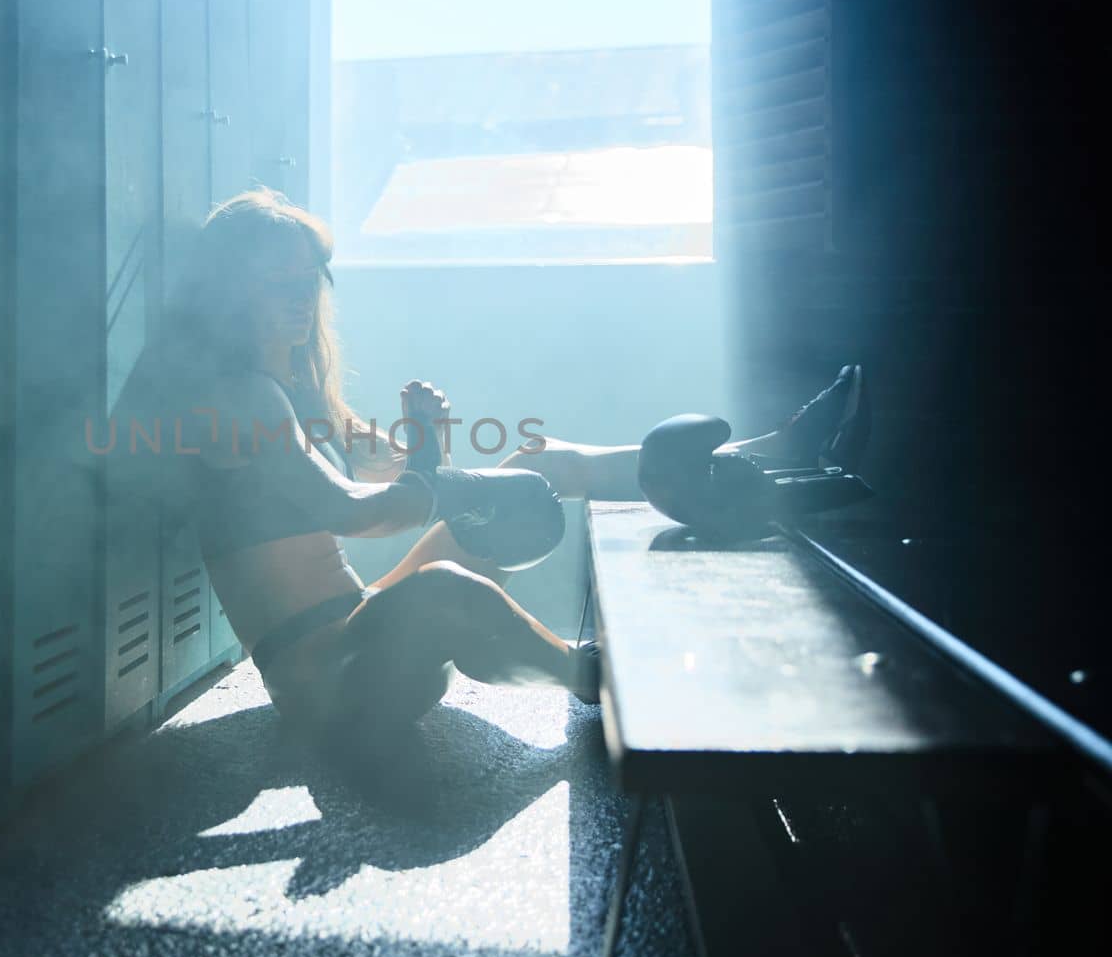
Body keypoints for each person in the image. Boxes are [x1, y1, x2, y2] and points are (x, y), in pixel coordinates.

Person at [144, 188, 868, 748]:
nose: (301, 299)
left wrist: (437, 457)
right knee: (443, 585)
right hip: (326, 680)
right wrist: (431, 462)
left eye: (310, 280)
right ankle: (594, 673)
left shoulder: (302, 391)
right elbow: (354, 513)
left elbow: (413, 483)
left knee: (537, 465)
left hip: (365, 624)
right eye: (278, 284)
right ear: (232, 294)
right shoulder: (238, 399)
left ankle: (747, 465)